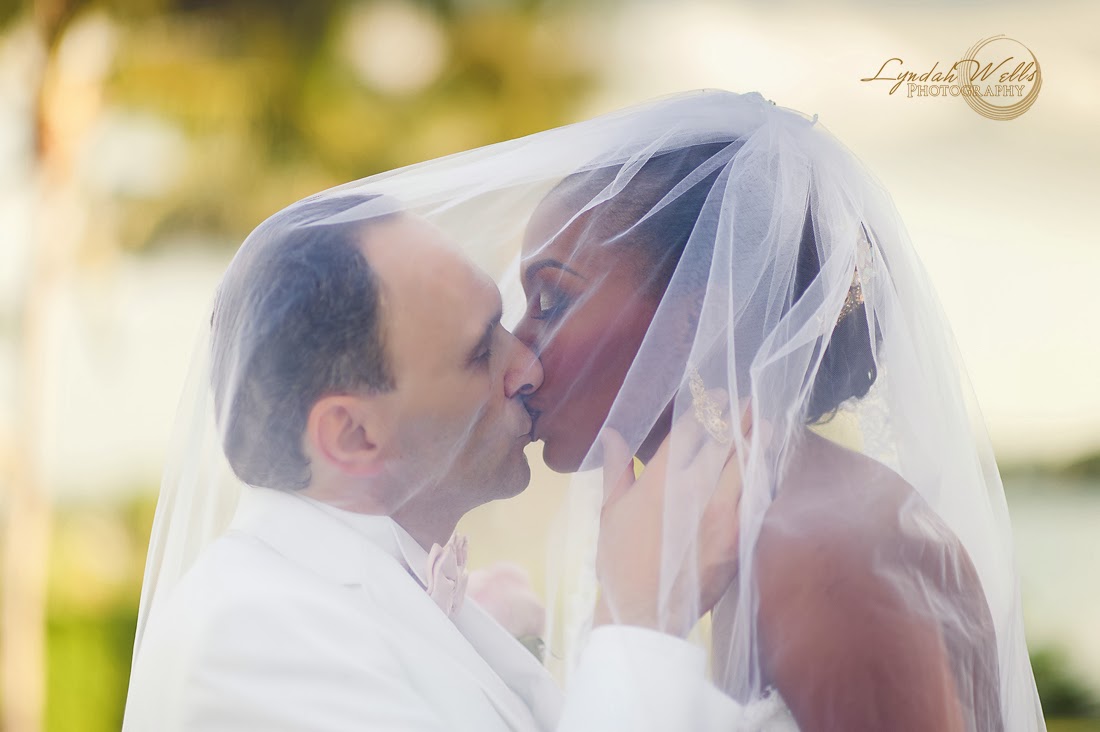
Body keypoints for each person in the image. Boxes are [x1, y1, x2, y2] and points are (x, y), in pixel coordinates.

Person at [509, 93, 1043, 730]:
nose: (518, 350)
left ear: (692, 315)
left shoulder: (817, 547)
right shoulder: (761, 515)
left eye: (552, 301)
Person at [123, 193, 745, 731]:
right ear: (352, 435)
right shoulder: (250, 640)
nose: (528, 367)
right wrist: (640, 622)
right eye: (479, 354)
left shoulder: (366, 594)